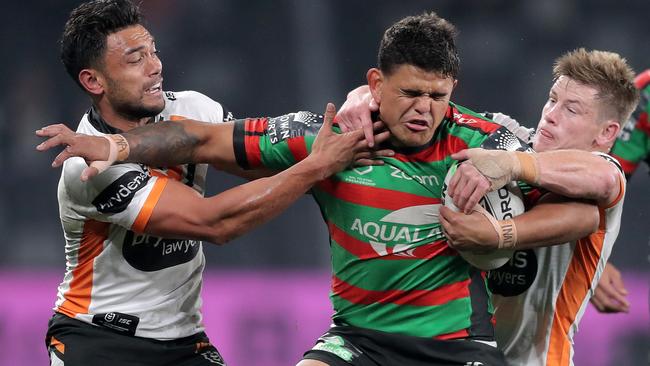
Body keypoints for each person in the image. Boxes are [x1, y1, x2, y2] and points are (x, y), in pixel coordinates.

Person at [37, 12, 603, 366]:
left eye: (438, 95)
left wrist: (503, 224)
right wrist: (114, 149)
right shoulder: (329, 137)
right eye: (409, 94)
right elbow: (208, 175)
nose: (424, 110)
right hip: (354, 343)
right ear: (376, 85)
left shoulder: (492, 145)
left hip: (456, 346)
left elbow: (594, 201)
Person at [38, 1, 380, 365]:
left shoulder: (194, 110)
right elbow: (214, 223)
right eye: (135, 60)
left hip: (184, 341)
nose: (155, 67)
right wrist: (316, 166)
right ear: (93, 80)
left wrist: (360, 99)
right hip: (99, 341)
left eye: (154, 52)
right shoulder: (86, 168)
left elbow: (264, 161)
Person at [435, 49, 638, 365]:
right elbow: (429, 106)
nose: (552, 113)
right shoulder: (509, 137)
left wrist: (509, 164)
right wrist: (366, 98)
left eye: (571, 109)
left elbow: (604, 179)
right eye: (552, 99)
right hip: (468, 355)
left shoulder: (601, 169)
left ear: (607, 132)